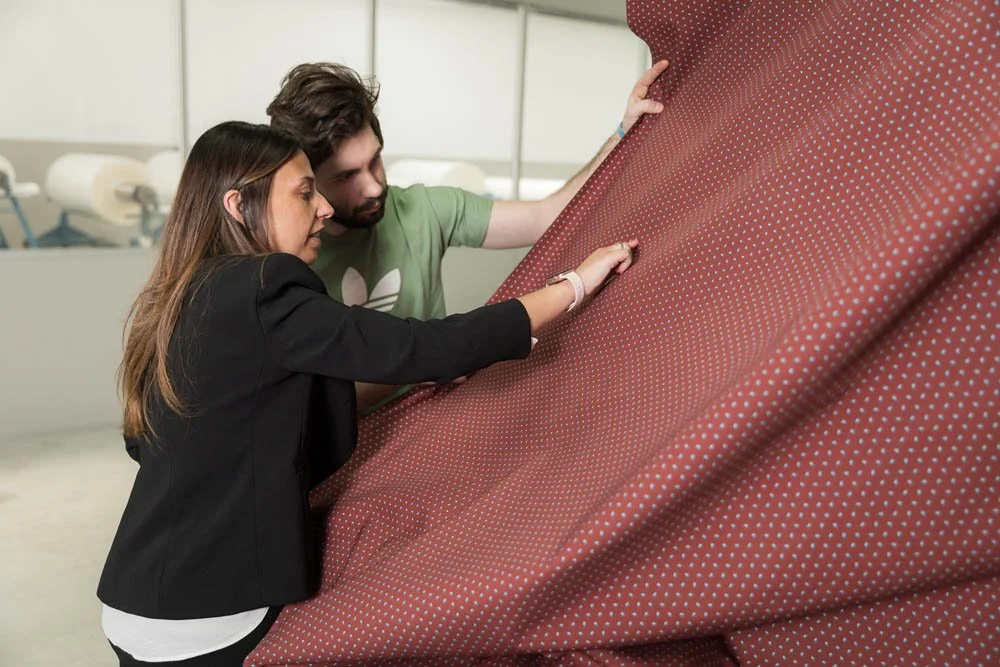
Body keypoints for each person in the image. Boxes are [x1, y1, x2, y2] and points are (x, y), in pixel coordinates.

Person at [96, 120, 638, 666]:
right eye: (305, 192)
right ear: (239, 206)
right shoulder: (266, 285)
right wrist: (574, 286)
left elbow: (152, 440)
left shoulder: (183, 294)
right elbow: (423, 346)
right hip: (209, 614)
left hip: (136, 597)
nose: (325, 207)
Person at [267, 59, 668, 411]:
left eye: (375, 161)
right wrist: (424, 366)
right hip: (343, 442)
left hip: (434, 411)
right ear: (309, 182)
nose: (373, 187)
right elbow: (301, 402)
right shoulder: (281, 262)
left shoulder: (423, 209)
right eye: (347, 176)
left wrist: (622, 132)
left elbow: (548, 215)